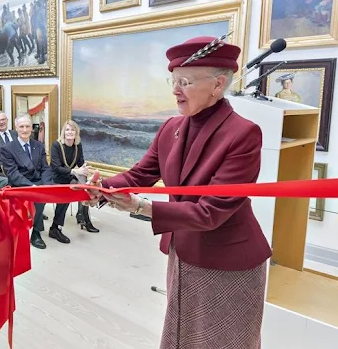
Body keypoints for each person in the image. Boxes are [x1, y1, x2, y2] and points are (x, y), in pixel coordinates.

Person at [85, 36, 272, 349]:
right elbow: (139, 174)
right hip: (183, 252)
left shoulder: (243, 134)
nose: (175, 90)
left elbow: (210, 212)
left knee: (222, 341)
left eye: (184, 81)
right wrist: (100, 189)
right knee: (180, 334)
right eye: (172, 80)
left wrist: (140, 207)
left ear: (218, 84)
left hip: (228, 262)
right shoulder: (170, 127)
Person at [1, 114, 53, 249]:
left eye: (27, 126)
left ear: (32, 128)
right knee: (36, 197)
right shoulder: (8, 149)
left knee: (41, 197)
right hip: (19, 185)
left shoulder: (39, 146)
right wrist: (32, 186)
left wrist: (46, 186)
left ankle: (36, 232)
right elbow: (13, 174)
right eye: (21, 126)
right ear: (16, 128)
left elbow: (45, 168)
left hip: (37, 182)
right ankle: (27, 231)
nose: (25, 129)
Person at [50, 120, 99, 241]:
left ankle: (84, 218)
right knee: (66, 195)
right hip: (56, 177)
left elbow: (80, 162)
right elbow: (56, 167)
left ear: (76, 132)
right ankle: (55, 228)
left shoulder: (78, 145)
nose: (70, 132)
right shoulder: (56, 145)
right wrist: (75, 172)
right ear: (63, 132)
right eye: (67, 129)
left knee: (86, 188)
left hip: (69, 176)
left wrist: (87, 169)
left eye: (72, 130)